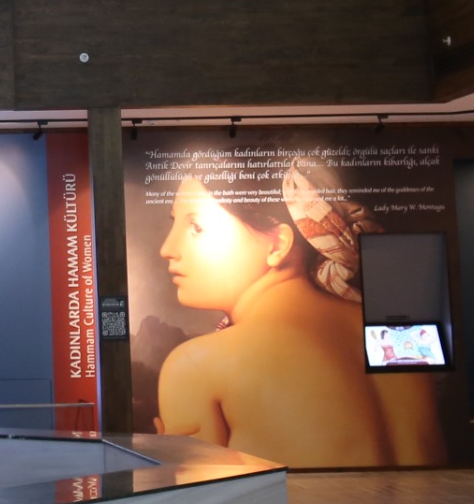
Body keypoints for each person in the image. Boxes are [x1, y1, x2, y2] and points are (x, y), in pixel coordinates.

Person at [152, 160, 447, 468]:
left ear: (278, 244)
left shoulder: (195, 365)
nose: (167, 248)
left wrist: (171, 464)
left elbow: (202, 497)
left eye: (196, 227)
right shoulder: (395, 331)